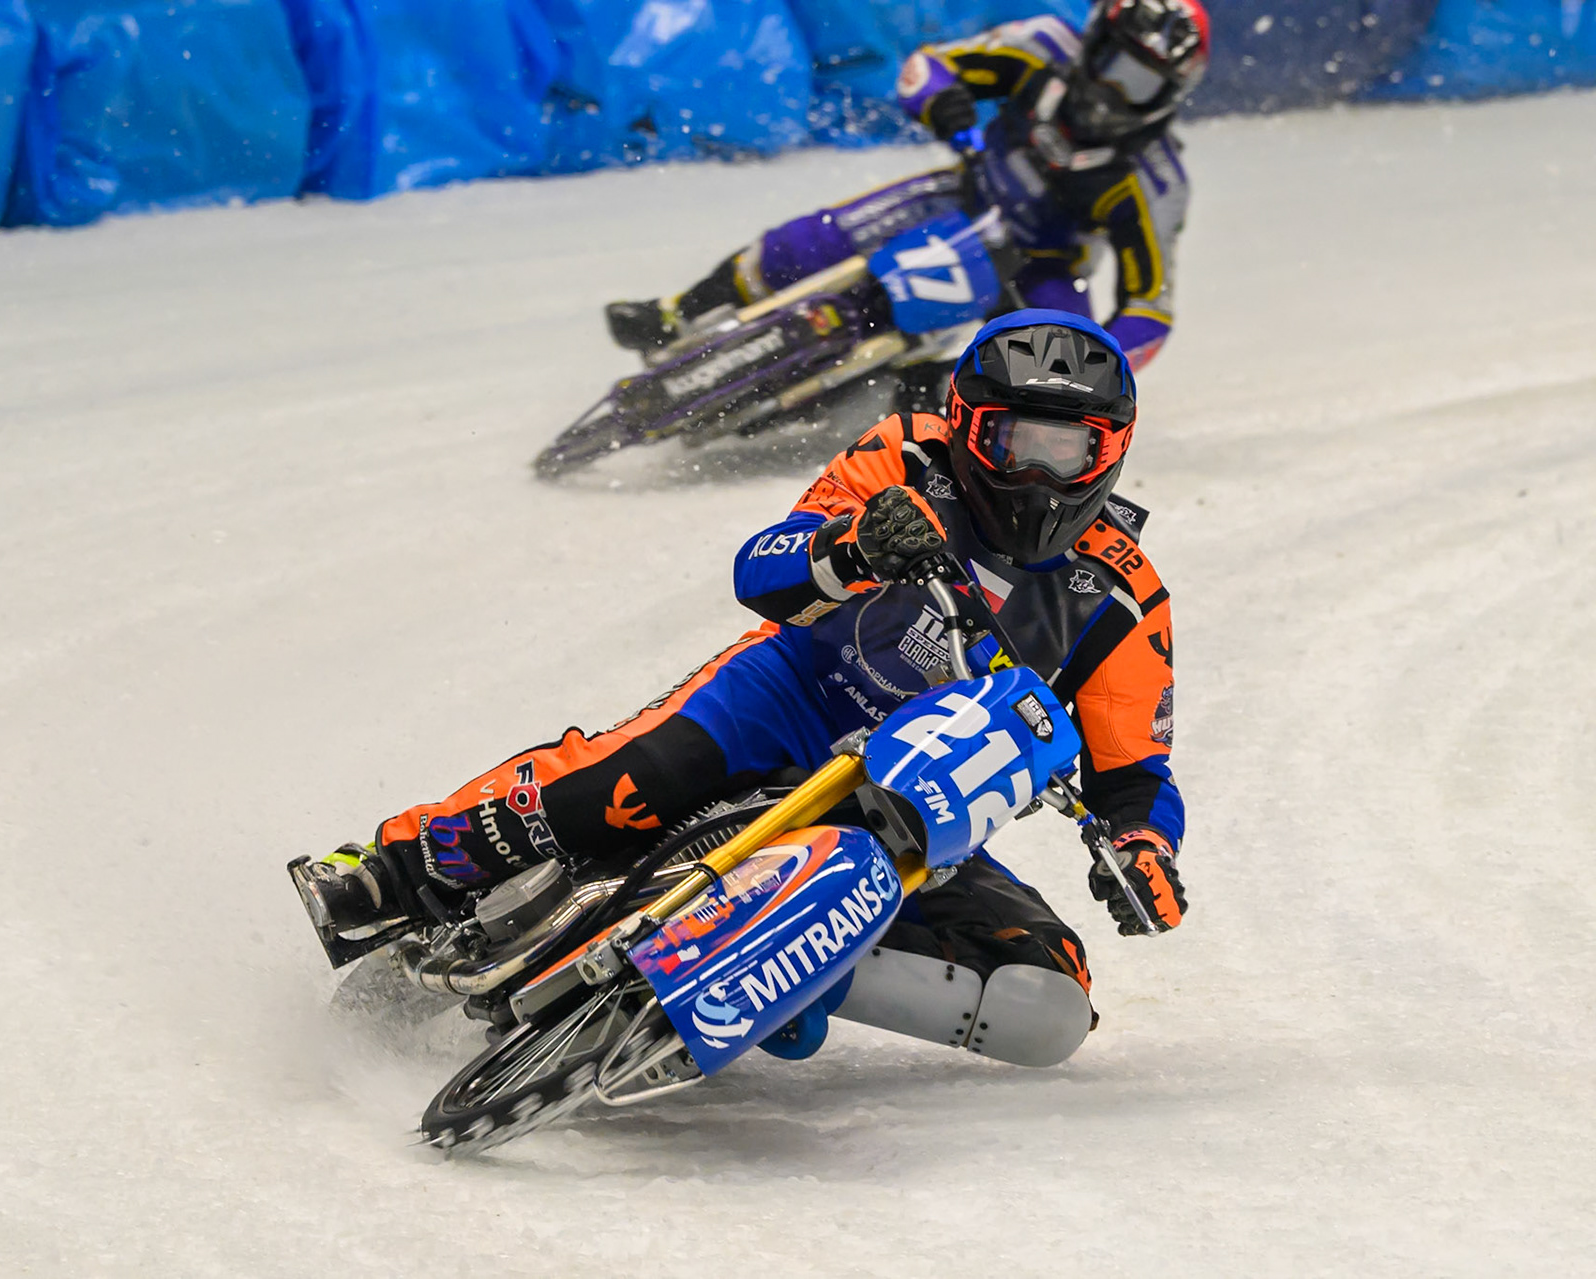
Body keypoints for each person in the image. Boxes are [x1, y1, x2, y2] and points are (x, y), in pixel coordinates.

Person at [307, 311, 1186, 1066]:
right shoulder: (901, 458)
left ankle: (795, 970)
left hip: (924, 806)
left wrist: (1147, 844)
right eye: (1011, 441)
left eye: (1067, 449)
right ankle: (392, 868)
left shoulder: (1124, 592)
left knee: (1048, 994)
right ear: (963, 425)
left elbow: (1134, 769)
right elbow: (760, 567)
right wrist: (853, 549)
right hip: (792, 695)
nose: (1036, 474)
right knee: (630, 779)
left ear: (1110, 452)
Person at [606, 0, 1208, 408]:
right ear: (1092, 40)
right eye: (1109, 61)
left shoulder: (1158, 181)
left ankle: (947, 395)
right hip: (963, 191)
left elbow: (1150, 310)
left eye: (1139, 81)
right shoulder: (1044, 44)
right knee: (800, 244)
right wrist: (949, 108)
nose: (1111, 89)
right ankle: (676, 313)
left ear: (1171, 94)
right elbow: (929, 66)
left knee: (1050, 360)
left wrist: (1094, 368)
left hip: (1041, 262)